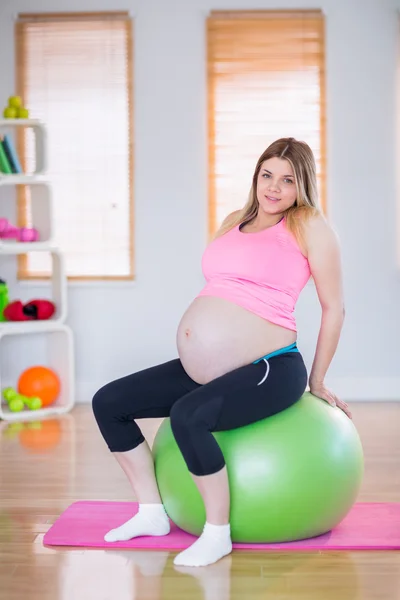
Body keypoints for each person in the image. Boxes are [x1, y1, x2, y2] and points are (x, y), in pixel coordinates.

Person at [92, 137, 351, 568]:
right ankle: (151, 512)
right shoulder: (234, 220)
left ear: (302, 185)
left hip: (271, 364)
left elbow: (334, 307)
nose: (274, 187)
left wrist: (317, 381)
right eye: (267, 174)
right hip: (209, 368)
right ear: (256, 176)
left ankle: (217, 533)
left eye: (287, 180)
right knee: (109, 403)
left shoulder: (310, 226)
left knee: (189, 415)